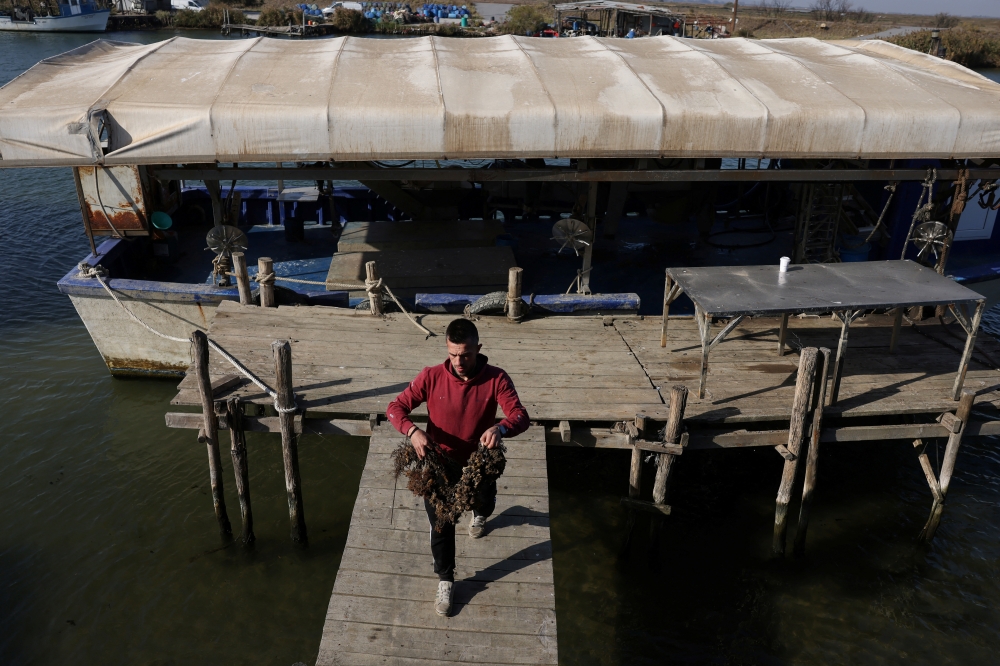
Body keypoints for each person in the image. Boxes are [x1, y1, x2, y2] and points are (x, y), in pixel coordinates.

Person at [386, 318, 529, 616]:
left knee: (484, 502)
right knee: (442, 523)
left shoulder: (496, 379)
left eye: (465, 354)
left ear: (478, 348)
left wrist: (500, 429)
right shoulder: (431, 376)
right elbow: (394, 408)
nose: (459, 361)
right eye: (452, 354)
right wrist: (413, 432)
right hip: (439, 465)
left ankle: (481, 514)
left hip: (478, 463)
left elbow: (520, 415)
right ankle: (446, 579)